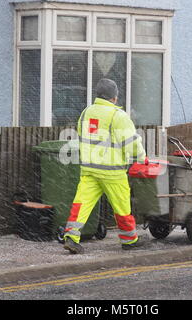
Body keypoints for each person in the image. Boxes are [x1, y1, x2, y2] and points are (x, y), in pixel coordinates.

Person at [63, 78, 149, 254]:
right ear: (115, 98)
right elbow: (131, 143)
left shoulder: (86, 112)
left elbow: (81, 135)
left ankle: (71, 236)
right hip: (112, 172)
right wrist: (141, 157)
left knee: (81, 203)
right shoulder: (118, 116)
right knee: (122, 206)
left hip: (89, 169)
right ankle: (129, 239)